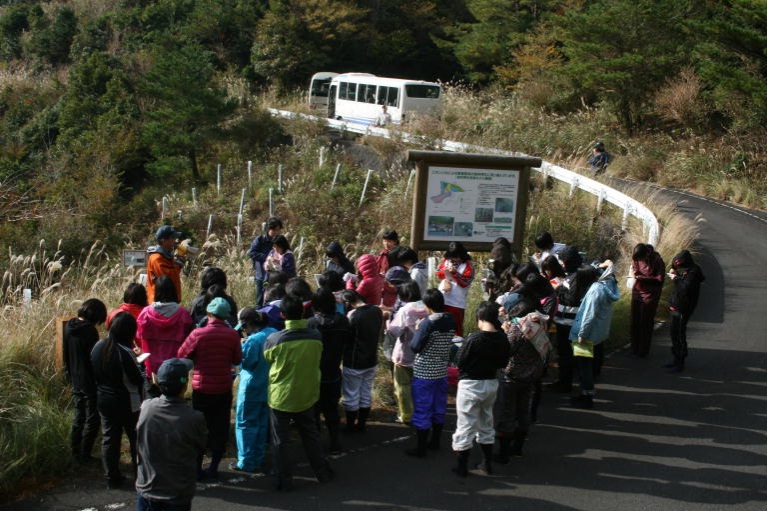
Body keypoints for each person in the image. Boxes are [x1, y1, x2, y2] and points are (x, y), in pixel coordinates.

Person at [263, 295, 334, 491]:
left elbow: (268, 358)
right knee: (310, 435)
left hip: (281, 396)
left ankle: (283, 481)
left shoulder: (274, 339)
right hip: (307, 393)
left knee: (281, 441)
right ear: (303, 312)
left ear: (282, 315)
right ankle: (322, 472)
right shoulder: (315, 336)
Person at [177, 297, 243, 480]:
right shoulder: (232, 335)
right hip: (223, 387)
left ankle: (197, 468)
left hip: (202, 387)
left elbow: (182, 354)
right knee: (219, 429)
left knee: (199, 429)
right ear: (226, 316)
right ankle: (214, 467)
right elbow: (238, 360)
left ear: (209, 314)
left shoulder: (198, 334)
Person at [136, 358, 208, 511]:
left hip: (148, 489)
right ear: (185, 384)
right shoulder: (194, 417)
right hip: (178, 493)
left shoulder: (146, 408)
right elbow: (201, 446)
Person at [451, 302, 510, 477]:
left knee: (466, 425)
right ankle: (486, 463)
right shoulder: (502, 338)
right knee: (486, 423)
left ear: (480, 318)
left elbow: (460, 361)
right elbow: (503, 362)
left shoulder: (474, 339)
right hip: (491, 383)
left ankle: (462, 466)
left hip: (470, 385)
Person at [90, 312, 144, 489]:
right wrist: (140, 362)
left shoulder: (98, 346)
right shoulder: (125, 352)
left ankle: (111, 477)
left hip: (104, 399)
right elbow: (137, 380)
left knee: (110, 438)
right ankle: (140, 475)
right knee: (136, 438)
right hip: (127, 402)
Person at [405, 289, 456, 457]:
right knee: (438, 407)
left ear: (428, 305)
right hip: (441, 371)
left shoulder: (428, 323)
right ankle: (435, 441)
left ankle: (420, 448)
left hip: (424, 373)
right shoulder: (450, 319)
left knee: (422, 409)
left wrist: (419, 328)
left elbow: (415, 346)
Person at [569, 261, 620, 409]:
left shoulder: (594, 291)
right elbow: (610, 268)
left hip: (586, 335)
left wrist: (582, 335)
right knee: (587, 365)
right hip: (598, 333)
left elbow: (589, 316)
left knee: (584, 366)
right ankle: (585, 393)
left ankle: (586, 396)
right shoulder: (606, 285)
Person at [308, 288, 352, 454]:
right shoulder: (342, 321)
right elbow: (348, 341)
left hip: (314, 373)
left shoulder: (312, 323)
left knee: (314, 410)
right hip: (334, 371)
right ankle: (334, 442)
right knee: (332, 409)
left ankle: (316, 444)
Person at [231, 308, 276, 473]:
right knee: (262, 422)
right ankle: (259, 456)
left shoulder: (253, 340)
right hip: (268, 385)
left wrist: (243, 347)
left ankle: (246, 461)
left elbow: (246, 363)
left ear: (247, 324)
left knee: (245, 424)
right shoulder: (273, 333)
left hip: (251, 387)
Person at [63, 298, 107, 464]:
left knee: (79, 414)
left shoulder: (69, 326)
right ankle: (85, 453)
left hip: (75, 376)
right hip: (89, 377)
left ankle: (75, 451)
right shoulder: (90, 331)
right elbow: (94, 357)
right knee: (92, 417)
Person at [549, 262, 596, 393]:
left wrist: (559, 289)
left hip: (568, 325)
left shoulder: (579, 289)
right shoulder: (593, 290)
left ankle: (567, 384)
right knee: (584, 360)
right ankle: (584, 389)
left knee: (565, 356)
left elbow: (568, 300)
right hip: (584, 329)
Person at [340, 290, 383, 433]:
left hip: (354, 360)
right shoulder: (376, 310)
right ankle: (362, 424)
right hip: (371, 358)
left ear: (348, 303)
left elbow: (347, 338)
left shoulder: (353, 315)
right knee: (366, 392)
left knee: (351, 395)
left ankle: (350, 425)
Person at [386, 281, 428, 425]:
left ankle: (406, 415)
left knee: (403, 386)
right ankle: (420, 412)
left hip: (404, 353)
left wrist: (387, 321)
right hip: (422, 354)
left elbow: (394, 331)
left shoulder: (405, 310)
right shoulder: (427, 306)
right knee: (420, 386)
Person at [136, 276, 194, 380]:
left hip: (151, 368)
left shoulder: (145, 313)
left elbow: (138, 335)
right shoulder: (183, 314)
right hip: (174, 368)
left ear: (156, 291)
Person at [665, 250, 705, 373]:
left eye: (680, 267)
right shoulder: (688, 270)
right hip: (677, 306)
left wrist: (676, 279)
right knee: (674, 334)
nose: (679, 269)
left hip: (683, 308)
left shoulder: (693, 273)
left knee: (679, 335)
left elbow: (685, 288)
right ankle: (676, 358)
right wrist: (675, 271)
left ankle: (680, 362)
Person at [629, 243, 666, 358]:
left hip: (651, 295)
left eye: (640, 258)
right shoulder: (636, 258)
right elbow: (635, 269)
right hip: (637, 293)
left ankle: (643, 351)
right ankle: (634, 349)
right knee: (634, 322)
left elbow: (659, 279)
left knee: (645, 323)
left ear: (646, 254)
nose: (638, 261)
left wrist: (640, 277)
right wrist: (635, 273)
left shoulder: (657, 260)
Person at [435, 242, 474, 337]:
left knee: (456, 329)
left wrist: (455, 273)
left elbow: (466, 282)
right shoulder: (446, 260)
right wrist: (445, 270)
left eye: (456, 257)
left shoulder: (468, 265)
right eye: (452, 257)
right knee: (440, 328)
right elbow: (438, 273)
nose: (454, 259)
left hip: (456, 303)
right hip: (442, 299)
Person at [248, 216, 284, 307]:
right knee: (260, 299)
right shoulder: (260, 240)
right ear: (268, 229)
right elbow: (252, 253)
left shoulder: (279, 240)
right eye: (274, 230)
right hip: (262, 274)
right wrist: (267, 257)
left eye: (278, 230)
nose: (276, 232)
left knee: (275, 298)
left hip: (276, 275)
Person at [146, 225, 185, 304]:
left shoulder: (165, 255)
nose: (175, 240)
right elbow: (167, 278)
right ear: (163, 240)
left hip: (168, 301)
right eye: (172, 238)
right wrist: (179, 264)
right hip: (159, 303)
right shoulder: (156, 258)